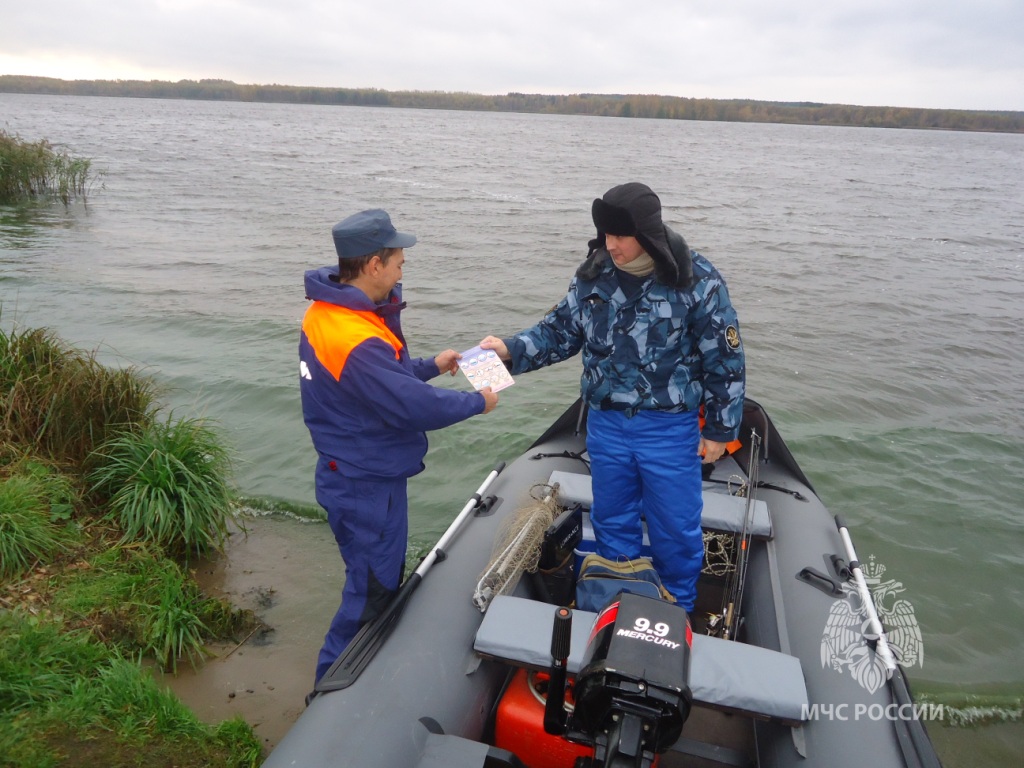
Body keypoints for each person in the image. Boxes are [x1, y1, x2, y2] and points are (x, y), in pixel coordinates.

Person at [481, 182, 744, 613]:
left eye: (620, 236)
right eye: (605, 234)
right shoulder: (593, 275)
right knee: (611, 522)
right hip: (605, 426)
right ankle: (616, 598)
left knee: (675, 528)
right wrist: (509, 349)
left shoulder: (697, 279)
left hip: (668, 428)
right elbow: (559, 332)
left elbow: (726, 358)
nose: (610, 244)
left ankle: (677, 608)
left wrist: (720, 429)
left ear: (646, 234)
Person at [300, 209, 498, 685]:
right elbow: (410, 407)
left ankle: (353, 674)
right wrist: (478, 402)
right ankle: (326, 692)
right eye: (398, 261)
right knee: (368, 592)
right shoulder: (356, 337)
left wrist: (431, 364)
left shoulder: (330, 314)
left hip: (356, 471)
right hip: (362, 484)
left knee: (375, 579)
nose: (402, 269)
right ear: (373, 265)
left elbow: (376, 384)